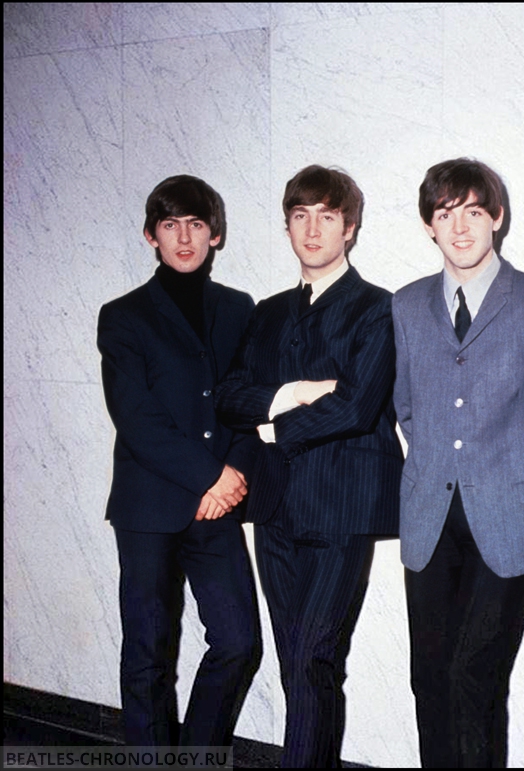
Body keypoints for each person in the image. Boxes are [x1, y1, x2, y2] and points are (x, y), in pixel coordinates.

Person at [392, 158, 524, 768]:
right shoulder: (404, 304)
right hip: (428, 517)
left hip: (509, 519)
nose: (460, 227)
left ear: (497, 218)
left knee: (475, 678)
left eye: (474, 211)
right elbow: (406, 404)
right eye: (445, 214)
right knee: (429, 678)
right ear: (429, 226)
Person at [215, 165, 402, 768]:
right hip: (274, 510)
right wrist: (288, 395)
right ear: (288, 227)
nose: (313, 228)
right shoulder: (267, 313)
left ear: (350, 228)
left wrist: (269, 422)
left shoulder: (379, 308)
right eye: (301, 216)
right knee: (292, 657)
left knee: (314, 658)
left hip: (343, 507)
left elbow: (356, 403)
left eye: (327, 216)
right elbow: (229, 396)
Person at [97, 175, 262, 747]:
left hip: (216, 506)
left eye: (195, 224)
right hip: (149, 506)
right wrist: (209, 475)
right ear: (151, 236)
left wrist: (232, 476)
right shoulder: (123, 316)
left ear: (214, 234)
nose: (184, 237)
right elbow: (136, 418)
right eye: (170, 225)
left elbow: (246, 400)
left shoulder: (240, 309)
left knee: (239, 642)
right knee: (148, 653)